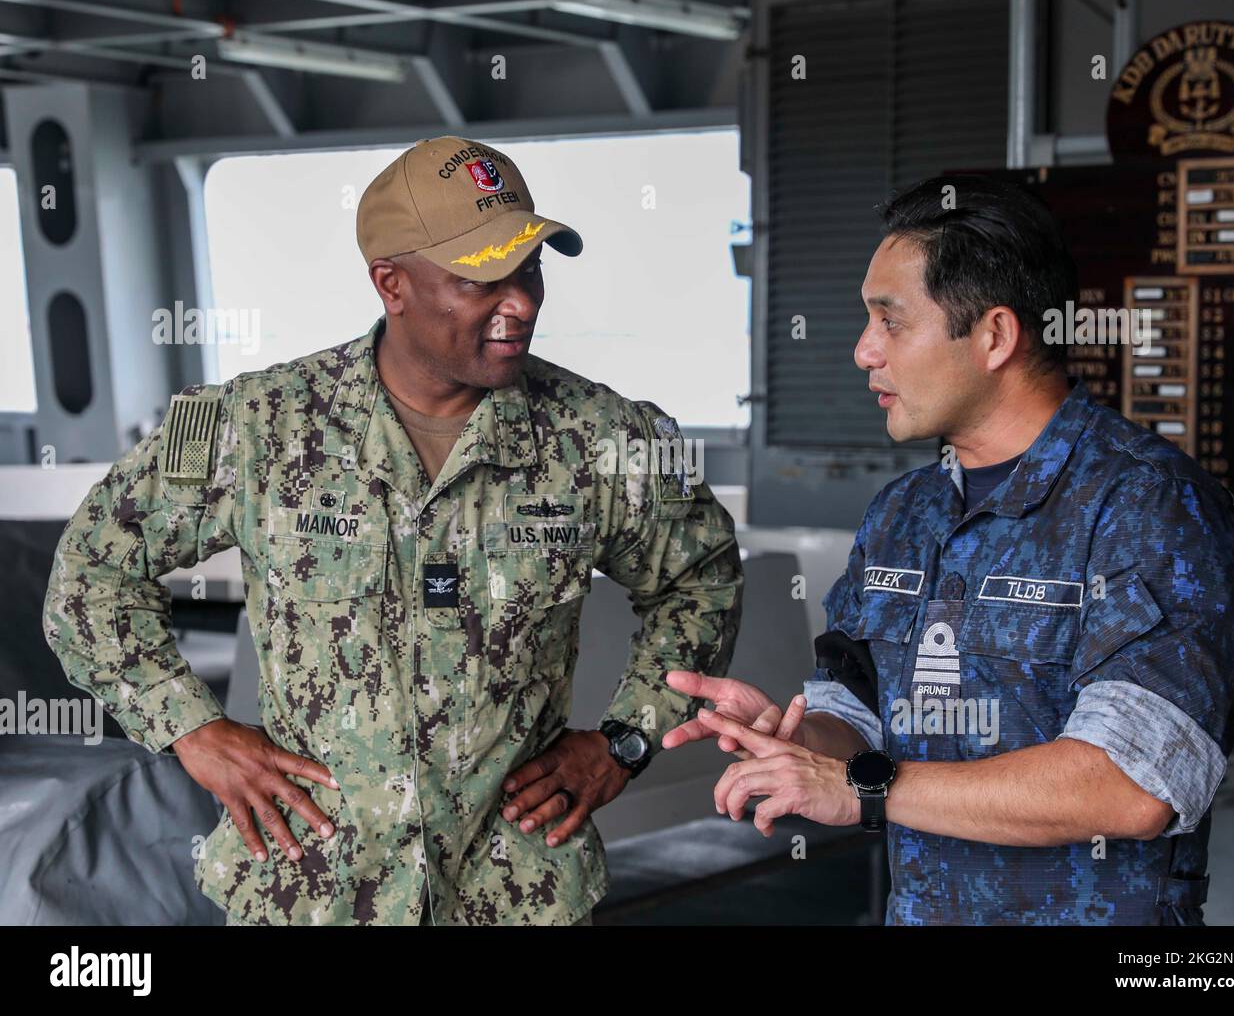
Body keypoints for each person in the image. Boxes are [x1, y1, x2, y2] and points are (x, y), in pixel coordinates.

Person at [43, 136, 743, 926]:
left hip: (513, 895)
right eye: (484, 278)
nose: (520, 303)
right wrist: (192, 728)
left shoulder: (603, 439)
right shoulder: (256, 426)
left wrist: (624, 742)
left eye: (531, 269)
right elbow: (91, 576)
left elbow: (703, 579)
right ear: (391, 283)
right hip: (314, 893)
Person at [663, 174, 1234, 925]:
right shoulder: (903, 514)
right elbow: (862, 721)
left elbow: (1131, 783)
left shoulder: (1148, 506)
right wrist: (798, 741)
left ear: (994, 336)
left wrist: (865, 788)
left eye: (891, 321)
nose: (862, 351)